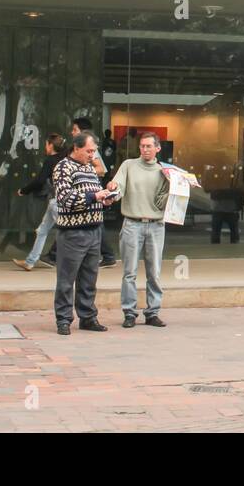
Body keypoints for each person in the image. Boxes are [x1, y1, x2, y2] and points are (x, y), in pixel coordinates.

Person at [50, 132, 111, 335]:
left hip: (94, 230)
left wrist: (105, 199)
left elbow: (93, 195)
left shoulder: (89, 167)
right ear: (76, 148)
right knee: (66, 279)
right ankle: (64, 319)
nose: (92, 155)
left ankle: (88, 317)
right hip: (72, 232)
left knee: (89, 279)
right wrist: (95, 196)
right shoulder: (62, 167)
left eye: (94, 151)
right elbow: (65, 198)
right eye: (89, 151)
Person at [107, 131, 168, 328]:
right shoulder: (128, 165)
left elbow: (165, 201)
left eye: (149, 146)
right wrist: (112, 190)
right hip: (132, 223)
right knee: (129, 272)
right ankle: (129, 313)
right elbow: (118, 187)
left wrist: (179, 187)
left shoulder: (165, 171)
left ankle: (152, 312)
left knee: (154, 272)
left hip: (156, 225)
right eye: (142, 146)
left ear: (158, 148)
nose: (145, 149)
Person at [12, 133, 64, 270]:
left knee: (68, 232)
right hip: (56, 200)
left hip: (57, 201)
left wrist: (24, 190)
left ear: (50, 145)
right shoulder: (64, 158)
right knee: (42, 231)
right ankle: (30, 261)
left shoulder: (50, 160)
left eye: (46, 144)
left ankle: (76, 262)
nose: (45, 147)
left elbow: (40, 180)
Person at [72, 118, 118, 265]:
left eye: (74, 130)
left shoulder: (89, 148)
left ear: (83, 132)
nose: (72, 132)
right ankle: (108, 256)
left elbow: (101, 169)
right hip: (85, 196)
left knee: (96, 224)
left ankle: (54, 255)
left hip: (90, 194)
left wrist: (83, 171)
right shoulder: (76, 149)